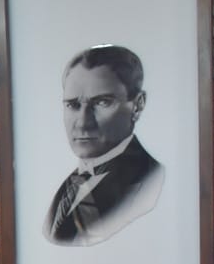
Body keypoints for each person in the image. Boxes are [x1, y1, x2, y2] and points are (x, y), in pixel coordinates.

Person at [44, 45, 164, 247]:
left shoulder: (148, 182)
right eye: (72, 105)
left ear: (138, 105)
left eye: (102, 103)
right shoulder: (70, 185)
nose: (83, 123)